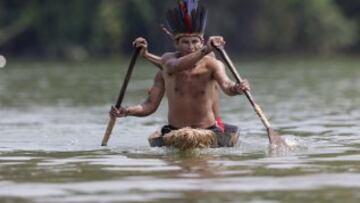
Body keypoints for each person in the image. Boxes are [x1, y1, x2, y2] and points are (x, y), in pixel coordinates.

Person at [110, 1, 249, 147]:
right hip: (175, 132)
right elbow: (149, 105)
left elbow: (227, 85)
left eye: (195, 41)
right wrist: (126, 111)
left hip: (207, 132)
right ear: (176, 44)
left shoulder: (212, 65)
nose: (191, 47)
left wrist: (238, 88)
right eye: (185, 42)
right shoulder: (167, 65)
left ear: (201, 42)